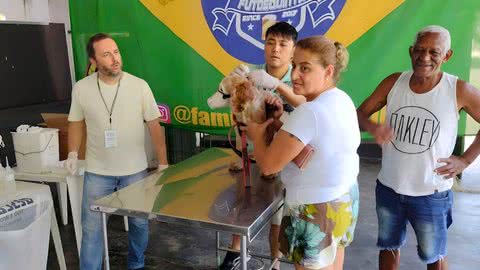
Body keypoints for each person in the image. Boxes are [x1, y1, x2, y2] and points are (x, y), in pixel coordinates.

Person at [356, 25, 480, 270]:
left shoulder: (459, 90)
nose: (425, 57)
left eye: (434, 52)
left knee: (433, 256)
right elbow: (359, 113)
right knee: (388, 246)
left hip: (432, 193)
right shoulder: (394, 82)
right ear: (411, 51)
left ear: (447, 56)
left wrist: (465, 160)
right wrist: (372, 127)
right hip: (389, 187)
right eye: (420, 50)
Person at [245, 35, 360, 270]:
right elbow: (315, 147)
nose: (295, 75)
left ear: (328, 71)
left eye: (305, 68)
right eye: (295, 65)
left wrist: (256, 133)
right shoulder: (341, 99)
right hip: (343, 197)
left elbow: (268, 166)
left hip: (315, 208)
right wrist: (279, 124)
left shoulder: (309, 112)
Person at [66, 33, 169, 270]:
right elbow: (75, 123)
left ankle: (136, 263)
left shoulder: (139, 86)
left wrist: (163, 163)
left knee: (140, 225)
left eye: (116, 52)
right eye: (106, 54)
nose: (114, 59)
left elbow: (154, 126)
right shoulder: (81, 89)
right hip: (97, 172)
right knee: (91, 230)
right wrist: (72, 153)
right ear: (93, 61)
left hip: (135, 172)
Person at [220, 21, 305, 270]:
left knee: (278, 220)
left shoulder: (299, 79)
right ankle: (234, 255)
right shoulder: (251, 76)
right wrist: (230, 87)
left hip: (287, 164)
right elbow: (238, 114)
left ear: (293, 50)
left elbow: (305, 106)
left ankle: (275, 263)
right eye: (270, 42)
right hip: (252, 159)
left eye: (282, 44)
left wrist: (277, 85)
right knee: (242, 208)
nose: (275, 49)